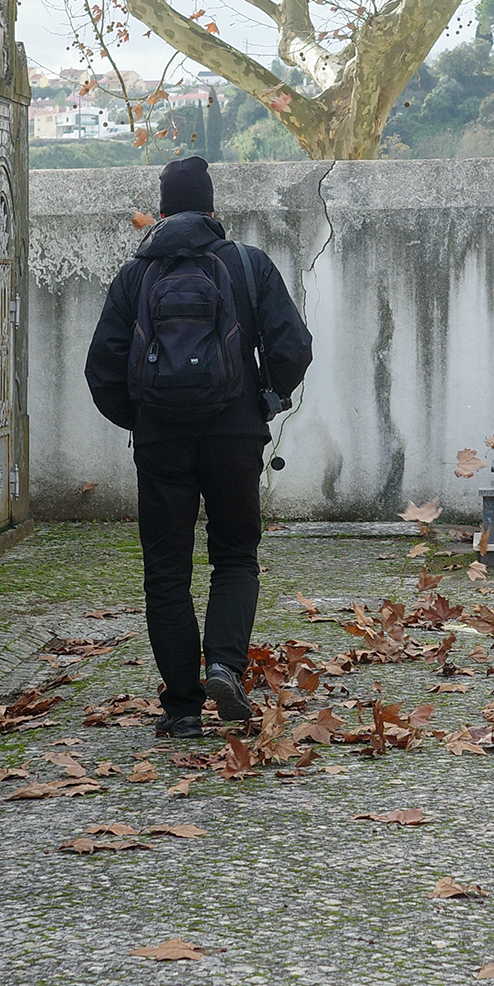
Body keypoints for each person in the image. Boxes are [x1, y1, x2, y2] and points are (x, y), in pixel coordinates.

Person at [85, 155, 313, 737]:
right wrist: (264, 400)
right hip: (235, 434)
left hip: (160, 441)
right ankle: (224, 667)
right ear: (213, 209)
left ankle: (183, 709)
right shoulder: (246, 264)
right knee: (234, 555)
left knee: (166, 572)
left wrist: (143, 418)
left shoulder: (135, 276)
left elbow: (102, 369)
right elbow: (292, 346)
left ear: (161, 212)